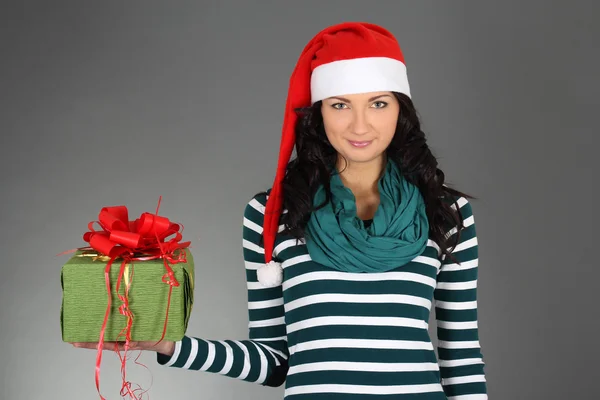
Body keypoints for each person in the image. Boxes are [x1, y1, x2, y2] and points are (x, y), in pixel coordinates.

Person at [73, 21, 488, 399]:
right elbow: (273, 361)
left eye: (378, 103)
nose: (360, 126)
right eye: (340, 105)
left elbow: (461, 359)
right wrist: (168, 345)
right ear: (318, 112)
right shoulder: (272, 213)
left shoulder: (447, 212)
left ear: (401, 109)